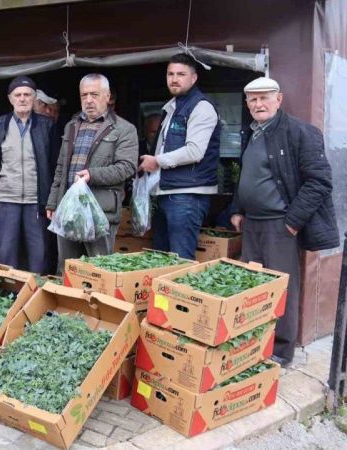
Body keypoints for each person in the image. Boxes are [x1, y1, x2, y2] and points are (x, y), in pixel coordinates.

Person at [231, 77, 339, 367]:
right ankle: (255, 345)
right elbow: (248, 174)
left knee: (281, 288)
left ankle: (281, 352)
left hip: (280, 226)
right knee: (253, 287)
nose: (258, 104)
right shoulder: (252, 132)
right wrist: (238, 209)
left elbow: (320, 181)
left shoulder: (300, 132)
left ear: (278, 99)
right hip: (253, 224)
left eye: (264, 97)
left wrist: (292, 222)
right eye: (252, 99)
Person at [46, 73, 138, 272]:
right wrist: (54, 202)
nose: (88, 100)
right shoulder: (71, 126)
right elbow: (61, 167)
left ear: (108, 97)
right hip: (69, 210)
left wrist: (92, 175)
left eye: (94, 94)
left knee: (98, 270)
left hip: (100, 212)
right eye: (84, 95)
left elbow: (127, 167)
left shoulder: (124, 129)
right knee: (67, 269)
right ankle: (68, 304)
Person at [138, 53, 221, 260]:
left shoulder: (201, 107)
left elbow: (195, 151)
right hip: (168, 192)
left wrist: (156, 161)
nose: (174, 79)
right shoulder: (171, 108)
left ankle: (181, 294)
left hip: (188, 195)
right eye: (170, 74)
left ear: (193, 78)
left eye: (181, 74)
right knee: (162, 259)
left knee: (180, 261)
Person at [0, 76, 56, 273]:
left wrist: (52, 200)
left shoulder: (46, 125)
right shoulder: (0, 125)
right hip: (7, 197)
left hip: (36, 200)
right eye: (18, 95)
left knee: (38, 253)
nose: (22, 99)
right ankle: (8, 296)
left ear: (33, 98)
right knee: (6, 251)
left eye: (27, 95)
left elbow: (54, 164)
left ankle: (36, 297)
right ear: (10, 98)